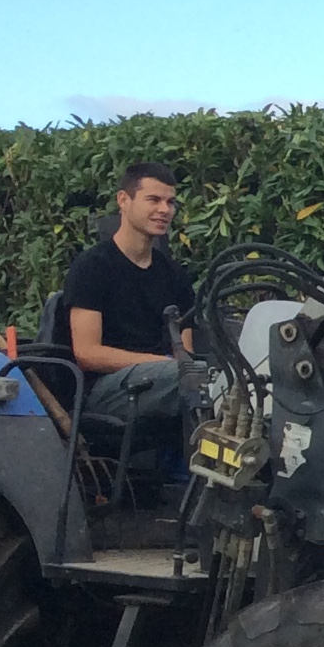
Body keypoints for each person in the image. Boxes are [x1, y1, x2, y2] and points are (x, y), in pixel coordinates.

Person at [65, 161, 201, 440]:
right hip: (108, 391)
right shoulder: (92, 266)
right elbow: (87, 353)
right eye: (153, 199)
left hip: (167, 380)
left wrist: (174, 366)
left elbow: (184, 352)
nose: (165, 210)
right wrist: (159, 364)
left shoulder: (176, 276)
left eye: (170, 202)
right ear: (123, 200)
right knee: (192, 378)